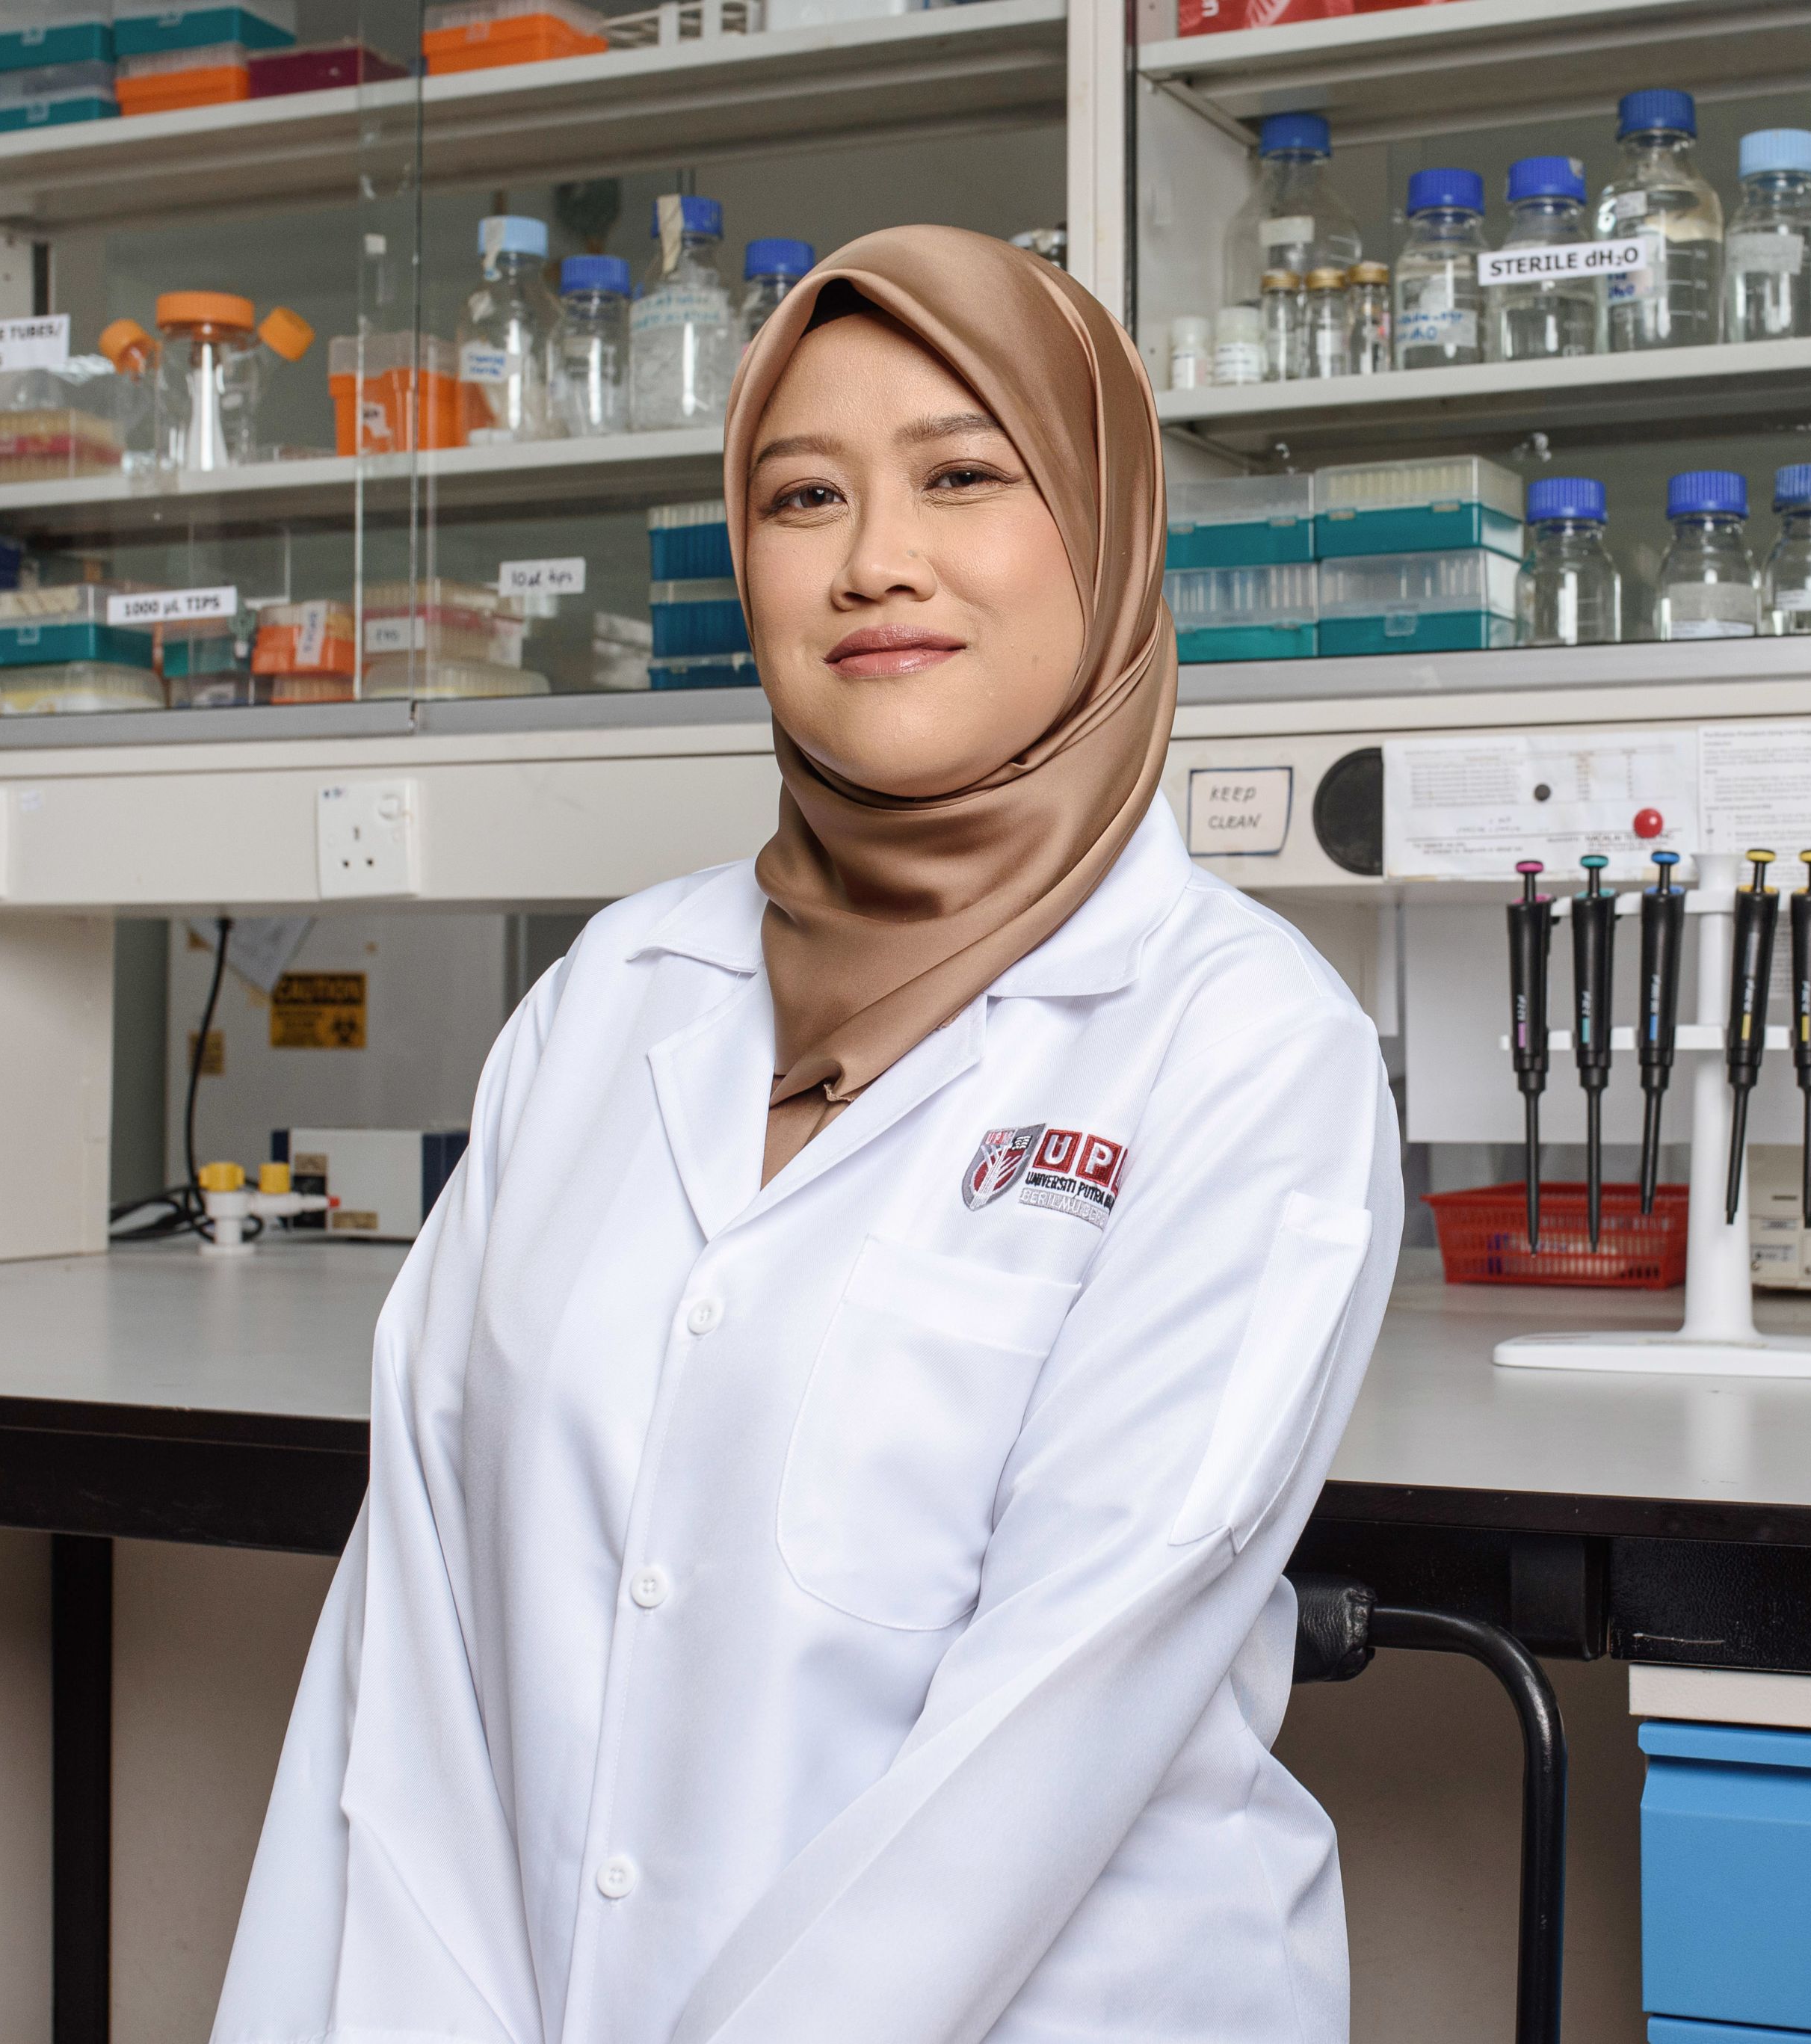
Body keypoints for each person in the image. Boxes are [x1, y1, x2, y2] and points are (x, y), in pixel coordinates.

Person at [212, 225, 1402, 2044]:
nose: (873, 563)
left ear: (1102, 522)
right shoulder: (613, 995)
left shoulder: (1237, 1046)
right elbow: (414, 1659)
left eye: (960, 476)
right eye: (799, 497)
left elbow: (1032, 1753)